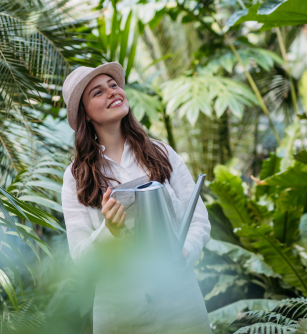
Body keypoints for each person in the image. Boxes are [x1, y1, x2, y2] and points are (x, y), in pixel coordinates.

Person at [61, 62, 212, 333]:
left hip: (182, 305)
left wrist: (184, 252)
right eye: (97, 92)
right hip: (119, 314)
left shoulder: (161, 153)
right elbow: (81, 259)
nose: (111, 92)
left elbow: (198, 221)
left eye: (113, 85)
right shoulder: (76, 176)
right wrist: (109, 231)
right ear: (85, 114)